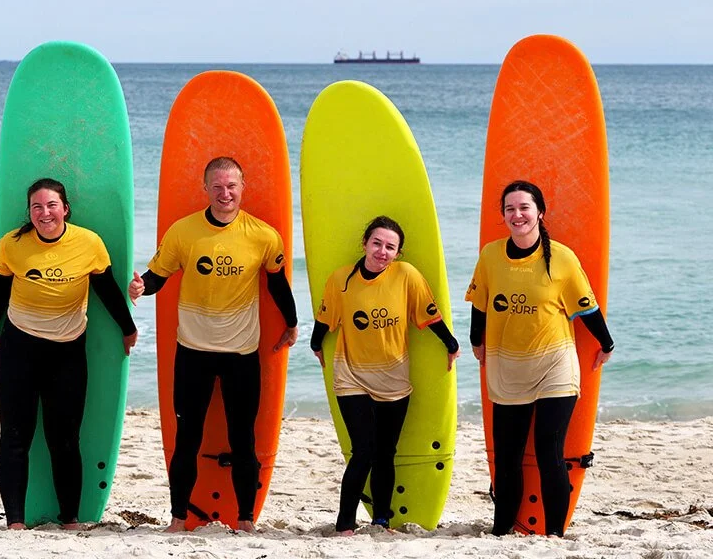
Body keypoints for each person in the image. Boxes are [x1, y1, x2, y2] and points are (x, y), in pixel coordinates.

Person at [128, 156, 298, 533]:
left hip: (241, 355)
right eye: (217, 186)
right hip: (193, 353)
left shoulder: (263, 235)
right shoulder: (184, 232)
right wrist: (143, 287)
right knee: (187, 438)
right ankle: (177, 519)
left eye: (231, 186)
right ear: (205, 189)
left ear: (243, 187)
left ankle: (245, 520)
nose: (225, 193)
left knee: (243, 440)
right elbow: (158, 275)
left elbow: (276, 282)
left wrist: (291, 322)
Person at [0, 177, 138, 530]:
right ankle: (15, 523)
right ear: (30, 213)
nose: (45, 213)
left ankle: (70, 519)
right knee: (15, 435)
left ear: (65, 208)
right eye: (37, 207)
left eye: (52, 205)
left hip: (67, 352)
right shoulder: (13, 245)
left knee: (64, 439)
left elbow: (106, 290)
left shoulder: (88, 244)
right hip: (19, 349)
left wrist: (127, 328)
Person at [465, 180, 614, 538]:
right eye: (510, 209)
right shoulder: (490, 255)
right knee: (508, 456)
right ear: (503, 216)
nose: (517, 215)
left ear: (540, 213)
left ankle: (555, 534)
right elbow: (480, 303)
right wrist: (475, 341)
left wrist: (606, 343)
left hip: (555, 367)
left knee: (549, 449)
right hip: (507, 368)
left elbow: (586, 307)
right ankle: (501, 530)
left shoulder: (562, 258)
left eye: (524, 207)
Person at [309, 215, 460, 535]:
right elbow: (325, 318)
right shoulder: (342, 280)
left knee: (385, 452)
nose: (382, 251)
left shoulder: (407, 276)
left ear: (398, 253)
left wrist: (451, 344)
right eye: (377, 243)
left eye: (390, 247)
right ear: (364, 244)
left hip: (394, 380)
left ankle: (381, 519)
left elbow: (429, 313)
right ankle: (345, 523)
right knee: (363, 450)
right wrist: (315, 343)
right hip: (351, 376)